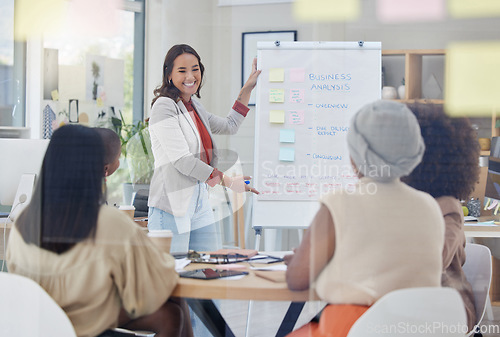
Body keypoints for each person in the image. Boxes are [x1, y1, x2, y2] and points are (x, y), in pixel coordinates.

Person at [6, 125, 193, 337]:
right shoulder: (108, 221)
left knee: (169, 312)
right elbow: (149, 288)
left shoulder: (23, 220)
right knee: (171, 314)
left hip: (41, 325)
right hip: (83, 325)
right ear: (94, 168)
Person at [284, 100, 445, 337]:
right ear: (413, 150)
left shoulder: (339, 203)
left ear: (355, 153)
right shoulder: (430, 206)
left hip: (354, 327)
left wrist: (306, 261)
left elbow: (297, 279)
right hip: (421, 329)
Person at [148, 43, 260, 253]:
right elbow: (182, 160)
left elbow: (230, 125)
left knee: (209, 266)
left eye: (195, 69)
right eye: (182, 70)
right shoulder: (164, 106)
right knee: (175, 275)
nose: (190, 76)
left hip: (199, 201)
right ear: (169, 75)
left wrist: (248, 89)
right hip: (171, 205)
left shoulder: (195, 106)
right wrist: (229, 183)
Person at [402, 103, 479, 332]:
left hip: (446, 307)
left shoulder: (447, 207)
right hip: (407, 301)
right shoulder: (402, 199)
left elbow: (432, 263)